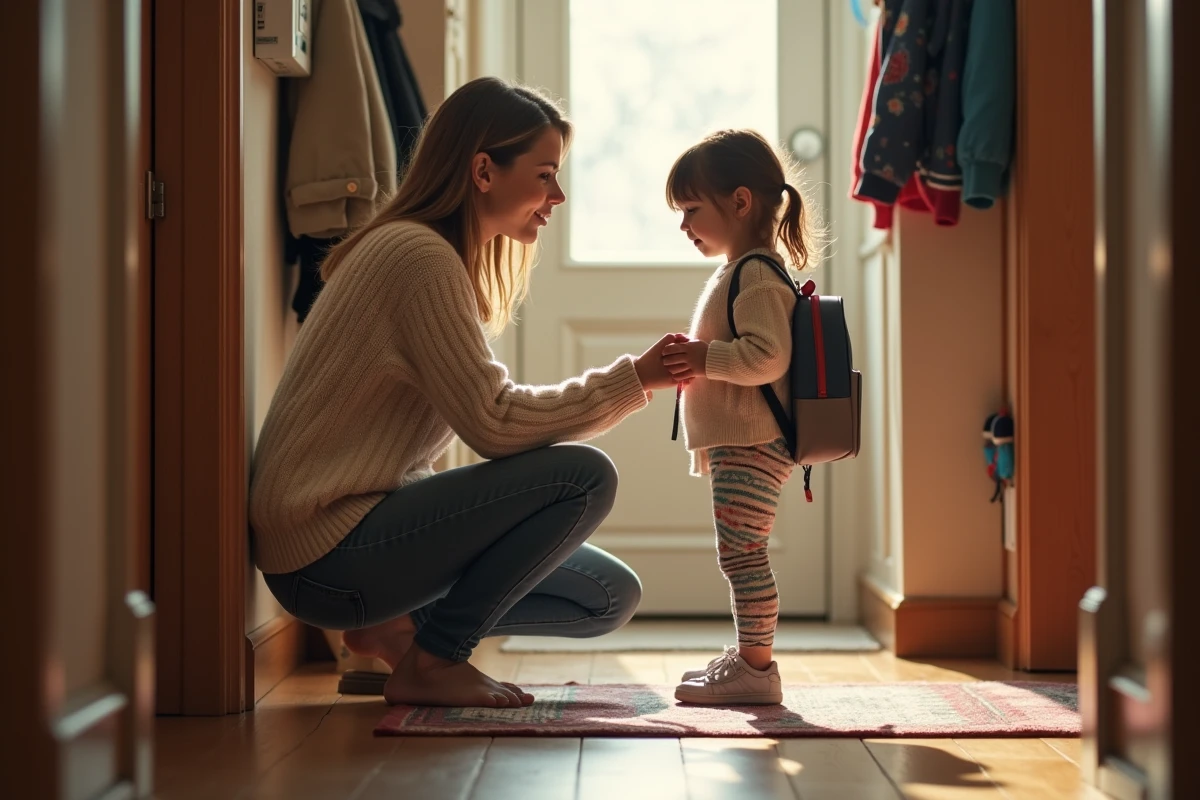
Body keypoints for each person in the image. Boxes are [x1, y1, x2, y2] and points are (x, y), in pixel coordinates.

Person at [249, 76, 687, 709]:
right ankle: (433, 661)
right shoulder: (417, 257)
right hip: (325, 553)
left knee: (606, 595)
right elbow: (493, 423)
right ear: (484, 170)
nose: (556, 195)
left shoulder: (430, 255)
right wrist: (634, 379)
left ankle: (392, 630)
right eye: (543, 175)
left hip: (353, 539)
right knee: (583, 478)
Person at [658, 129, 822, 705]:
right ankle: (751, 656)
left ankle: (757, 669)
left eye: (692, 210)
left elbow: (767, 356)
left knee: (743, 553)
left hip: (753, 441)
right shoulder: (743, 270)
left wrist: (704, 358)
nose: (684, 227)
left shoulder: (754, 274)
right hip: (741, 441)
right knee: (740, 551)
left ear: (741, 201)